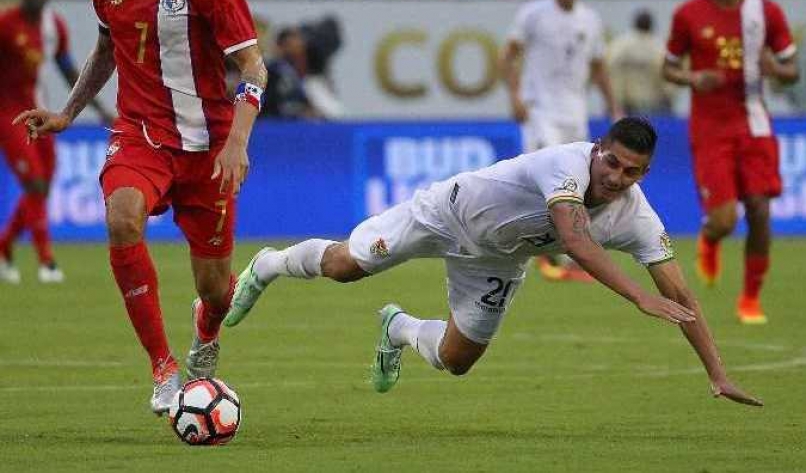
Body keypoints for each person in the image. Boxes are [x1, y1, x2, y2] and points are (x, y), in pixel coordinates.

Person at [224, 118, 762, 409]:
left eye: (631, 171)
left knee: (457, 360)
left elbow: (683, 298)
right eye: (612, 161)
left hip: (499, 260)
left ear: (643, 176)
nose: (616, 176)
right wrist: (640, 296)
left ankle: (398, 327)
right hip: (445, 214)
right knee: (346, 266)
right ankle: (267, 266)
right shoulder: (564, 165)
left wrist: (718, 374)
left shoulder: (637, 218)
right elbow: (575, 241)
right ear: (597, 149)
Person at [14, 0, 267, 415]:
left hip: (208, 149)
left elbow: (254, 69)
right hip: (141, 135)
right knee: (122, 217)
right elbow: (107, 49)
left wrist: (237, 143)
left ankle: (206, 328)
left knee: (217, 290)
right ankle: (163, 367)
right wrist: (67, 113)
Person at [662, 0, 798, 325]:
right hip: (710, 128)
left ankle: (751, 298)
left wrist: (777, 70)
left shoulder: (765, 11)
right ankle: (709, 239)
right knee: (724, 220)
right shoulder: (688, 14)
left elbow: (792, 69)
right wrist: (692, 78)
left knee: (759, 209)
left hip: (754, 121)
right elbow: (668, 67)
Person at [499, 0, 622, 281]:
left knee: (577, 186)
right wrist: (514, 96)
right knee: (549, 181)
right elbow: (507, 56)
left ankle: (558, 253)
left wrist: (614, 107)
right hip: (540, 111)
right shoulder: (533, 14)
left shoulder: (591, 19)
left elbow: (598, 67)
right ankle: (550, 257)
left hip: (574, 113)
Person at [0, 0, 112, 285]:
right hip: (7, 115)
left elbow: (68, 71)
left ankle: (5, 246)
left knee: (43, 187)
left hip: (39, 113)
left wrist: (100, 108)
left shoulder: (54, 26)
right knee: (34, 183)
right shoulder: (6, 25)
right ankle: (47, 261)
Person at [607, 9, 673, 114]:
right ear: (651, 25)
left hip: (625, 104)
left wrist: (613, 100)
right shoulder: (659, 47)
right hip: (655, 106)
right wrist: (669, 97)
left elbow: (609, 69)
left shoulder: (619, 45)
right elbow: (668, 79)